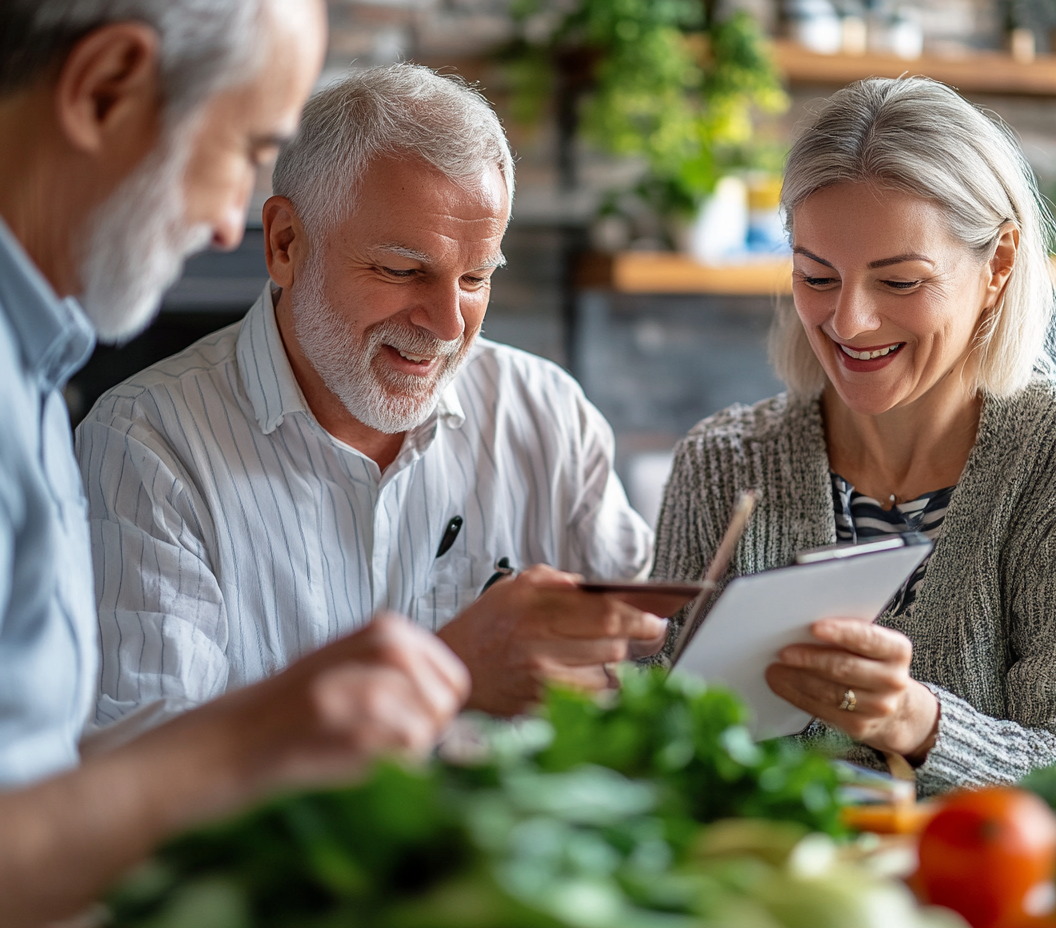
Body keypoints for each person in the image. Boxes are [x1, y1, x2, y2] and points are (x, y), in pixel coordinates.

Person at [0, 4, 473, 924]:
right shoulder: (130, 423)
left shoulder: (37, 365)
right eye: (242, 148)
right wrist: (253, 741)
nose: (229, 227)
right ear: (105, 90)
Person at [76, 62, 661, 741]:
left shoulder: (547, 412)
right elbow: (147, 770)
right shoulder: (146, 446)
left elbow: (649, 660)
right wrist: (455, 675)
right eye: (403, 270)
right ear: (285, 244)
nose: (447, 326)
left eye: (475, 278)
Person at [651, 77, 1056, 796]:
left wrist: (918, 722)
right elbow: (662, 736)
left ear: (997, 265)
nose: (849, 322)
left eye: (899, 283)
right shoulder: (721, 460)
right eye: (816, 276)